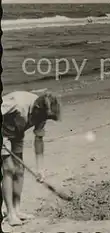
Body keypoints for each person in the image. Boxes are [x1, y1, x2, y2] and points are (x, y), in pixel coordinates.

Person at [1, 91, 61, 227]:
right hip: (2, 132)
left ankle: (17, 210)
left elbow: (38, 139)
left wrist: (40, 169)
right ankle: (10, 214)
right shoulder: (17, 102)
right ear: (37, 108)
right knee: (9, 168)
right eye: (43, 117)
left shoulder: (43, 112)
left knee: (19, 170)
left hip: (16, 132)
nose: (43, 120)